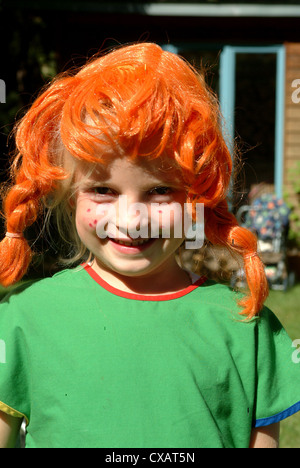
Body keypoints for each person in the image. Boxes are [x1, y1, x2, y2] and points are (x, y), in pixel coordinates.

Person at [0, 42, 299, 448]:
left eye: (160, 190)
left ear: (197, 197)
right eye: (103, 189)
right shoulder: (22, 319)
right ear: (72, 197)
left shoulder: (246, 328)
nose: (131, 219)